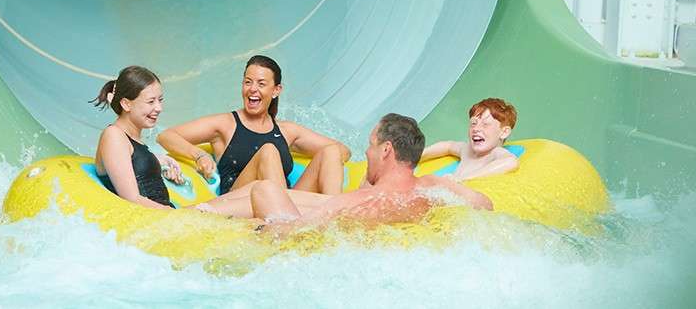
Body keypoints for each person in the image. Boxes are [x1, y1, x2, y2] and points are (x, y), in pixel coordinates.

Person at [202, 113, 492, 224]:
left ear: (387, 150)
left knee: (264, 191)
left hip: (316, 250)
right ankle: (204, 210)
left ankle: (199, 214)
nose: (367, 152)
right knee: (261, 189)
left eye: (371, 144)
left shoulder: (353, 202)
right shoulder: (433, 187)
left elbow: (293, 237)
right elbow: (485, 204)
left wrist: (254, 229)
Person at [157, 55, 351, 197]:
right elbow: (166, 136)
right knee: (268, 152)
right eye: (248, 82)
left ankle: (332, 219)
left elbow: (342, 152)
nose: (252, 89)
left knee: (331, 151)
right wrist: (199, 155)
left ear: (276, 90)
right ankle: (286, 221)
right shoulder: (225, 125)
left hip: (289, 201)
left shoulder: (287, 131)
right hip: (242, 201)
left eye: (261, 83)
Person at [91, 66, 184, 210]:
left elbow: (133, 161)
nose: (159, 108)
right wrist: (178, 215)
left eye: (160, 100)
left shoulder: (131, 139)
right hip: (153, 219)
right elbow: (131, 198)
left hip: (163, 216)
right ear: (126, 104)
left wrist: (160, 162)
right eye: (151, 101)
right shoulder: (114, 135)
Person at [419, 98, 519, 181]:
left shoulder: (495, 153)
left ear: (504, 132)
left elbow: (510, 162)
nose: (476, 129)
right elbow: (448, 146)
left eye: (485, 124)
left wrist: (461, 179)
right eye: (473, 123)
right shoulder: (467, 150)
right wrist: (415, 156)